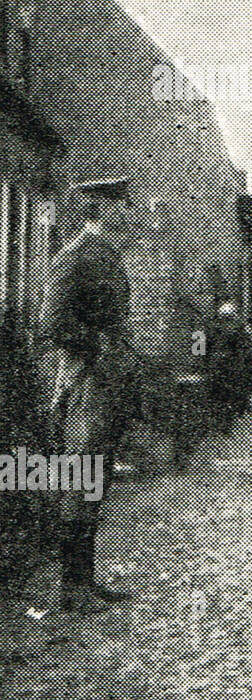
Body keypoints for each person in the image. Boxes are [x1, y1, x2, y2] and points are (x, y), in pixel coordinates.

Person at [38, 179, 138, 614]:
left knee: (94, 480)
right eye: (121, 208)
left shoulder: (107, 256)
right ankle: (72, 588)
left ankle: (85, 581)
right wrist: (99, 347)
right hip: (84, 380)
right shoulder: (76, 256)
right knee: (80, 477)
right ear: (100, 210)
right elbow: (53, 323)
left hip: (106, 381)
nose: (129, 215)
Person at [206, 299, 252, 435]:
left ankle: (216, 424)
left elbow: (200, 347)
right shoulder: (238, 327)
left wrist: (204, 362)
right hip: (231, 365)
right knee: (230, 395)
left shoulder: (211, 327)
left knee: (216, 395)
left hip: (215, 365)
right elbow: (245, 348)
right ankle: (226, 425)